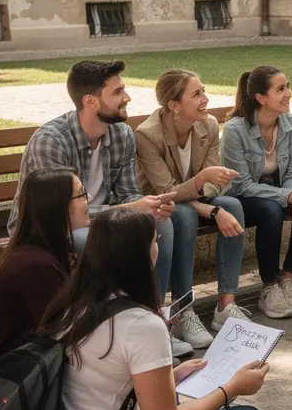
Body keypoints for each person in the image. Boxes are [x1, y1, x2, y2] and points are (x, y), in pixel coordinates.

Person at [39, 208, 287, 410]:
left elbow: (105, 381)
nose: (158, 246)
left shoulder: (73, 302)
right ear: (141, 255)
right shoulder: (141, 324)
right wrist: (231, 389)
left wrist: (170, 375)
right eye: (155, 240)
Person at [9, 59, 179, 346]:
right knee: (92, 238)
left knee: (161, 223)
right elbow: (64, 214)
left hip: (97, 221)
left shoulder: (122, 134)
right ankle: (107, 330)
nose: (127, 97)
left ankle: (153, 319)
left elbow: (127, 193)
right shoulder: (52, 141)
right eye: (117, 92)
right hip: (53, 228)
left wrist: (149, 206)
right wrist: (129, 209)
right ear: (90, 101)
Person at [136, 69, 250, 349]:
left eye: (203, 91)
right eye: (196, 94)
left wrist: (208, 197)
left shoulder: (208, 125)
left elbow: (216, 183)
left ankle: (225, 305)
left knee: (232, 205)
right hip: (157, 205)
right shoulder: (147, 135)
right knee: (184, 214)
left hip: (191, 199)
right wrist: (208, 206)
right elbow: (165, 191)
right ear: (174, 105)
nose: (205, 99)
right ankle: (182, 309)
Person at [220, 65, 292, 320]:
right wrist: (289, 197)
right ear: (261, 98)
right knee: (270, 211)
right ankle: (268, 286)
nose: (288, 93)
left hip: (278, 191)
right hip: (241, 197)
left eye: (287, 86)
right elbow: (242, 185)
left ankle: (287, 278)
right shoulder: (235, 130)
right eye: (280, 89)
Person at [0, 169, 90, 390]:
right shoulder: (34, 266)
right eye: (81, 195)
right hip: (8, 393)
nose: (87, 201)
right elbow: (66, 333)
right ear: (58, 206)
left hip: (25, 375)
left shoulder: (45, 251)